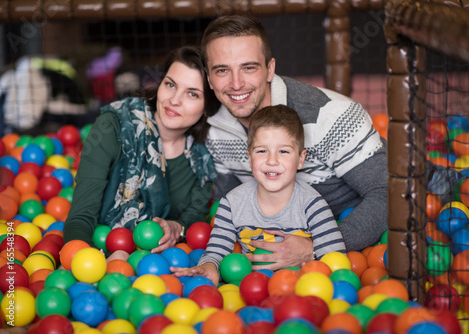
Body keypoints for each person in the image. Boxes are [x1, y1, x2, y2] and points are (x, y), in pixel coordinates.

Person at [201, 15, 388, 268]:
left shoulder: (330, 116)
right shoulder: (217, 130)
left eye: (249, 67)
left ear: (270, 69)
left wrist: (316, 249)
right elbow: (227, 206)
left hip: (381, 227)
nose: (236, 84)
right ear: (210, 79)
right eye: (222, 70)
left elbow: (389, 193)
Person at [63, 46, 219, 257]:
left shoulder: (201, 161)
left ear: (208, 107)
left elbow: (191, 221)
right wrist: (85, 260)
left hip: (157, 269)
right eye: (170, 85)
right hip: (102, 252)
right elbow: (80, 216)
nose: (174, 100)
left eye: (192, 94)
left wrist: (177, 228)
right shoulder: (114, 126)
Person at [172, 105, 346, 284]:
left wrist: (311, 258)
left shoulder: (313, 205)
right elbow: (216, 251)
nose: (272, 161)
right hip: (250, 290)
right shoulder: (231, 204)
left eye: (283, 151)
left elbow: (335, 259)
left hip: (301, 289)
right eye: (262, 151)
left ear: (300, 159)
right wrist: (208, 266)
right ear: (250, 157)